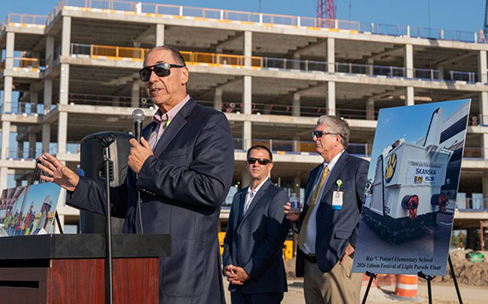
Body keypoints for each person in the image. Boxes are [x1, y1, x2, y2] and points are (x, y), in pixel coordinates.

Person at [37, 45, 235, 304]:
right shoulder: (146, 133)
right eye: (146, 73)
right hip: (138, 271)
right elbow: (126, 201)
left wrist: (150, 167)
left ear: (184, 74)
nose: (153, 78)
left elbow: (212, 189)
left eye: (161, 70)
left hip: (184, 272)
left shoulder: (209, 122)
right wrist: (76, 185)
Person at [284, 115, 368, 304]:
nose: (314, 138)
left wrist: (354, 243)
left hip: (338, 261)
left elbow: (373, 211)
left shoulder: (358, 167)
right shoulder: (315, 173)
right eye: (315, 134)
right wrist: (298, 218)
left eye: (319, 134)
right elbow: (315, 214)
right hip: (309, 263)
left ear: (337, 138)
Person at [223, 145, 290, 304]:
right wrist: (228, 267)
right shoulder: (239, 196)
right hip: (238, 285)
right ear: (246, 164)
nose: (256, 164)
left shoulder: (278, 195)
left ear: (270, 166)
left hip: (264, 284)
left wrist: (248, 272)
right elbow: (230, 236)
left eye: (262, 161)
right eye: (252, 160)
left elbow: (273, 241)